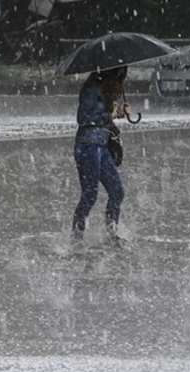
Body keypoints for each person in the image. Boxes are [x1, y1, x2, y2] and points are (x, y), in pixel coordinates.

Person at [71, 66, 132, 248]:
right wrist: (110, 114)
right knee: (89, 195)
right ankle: (77, 240)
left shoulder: (104, 88)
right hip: (87, 146)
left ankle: (112, 235)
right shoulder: (93, 87)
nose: (121, 78)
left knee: (117, 191)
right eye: (119, 73)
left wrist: (120, 112)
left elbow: (102, 117)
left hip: (101, 145)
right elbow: (83, 117)